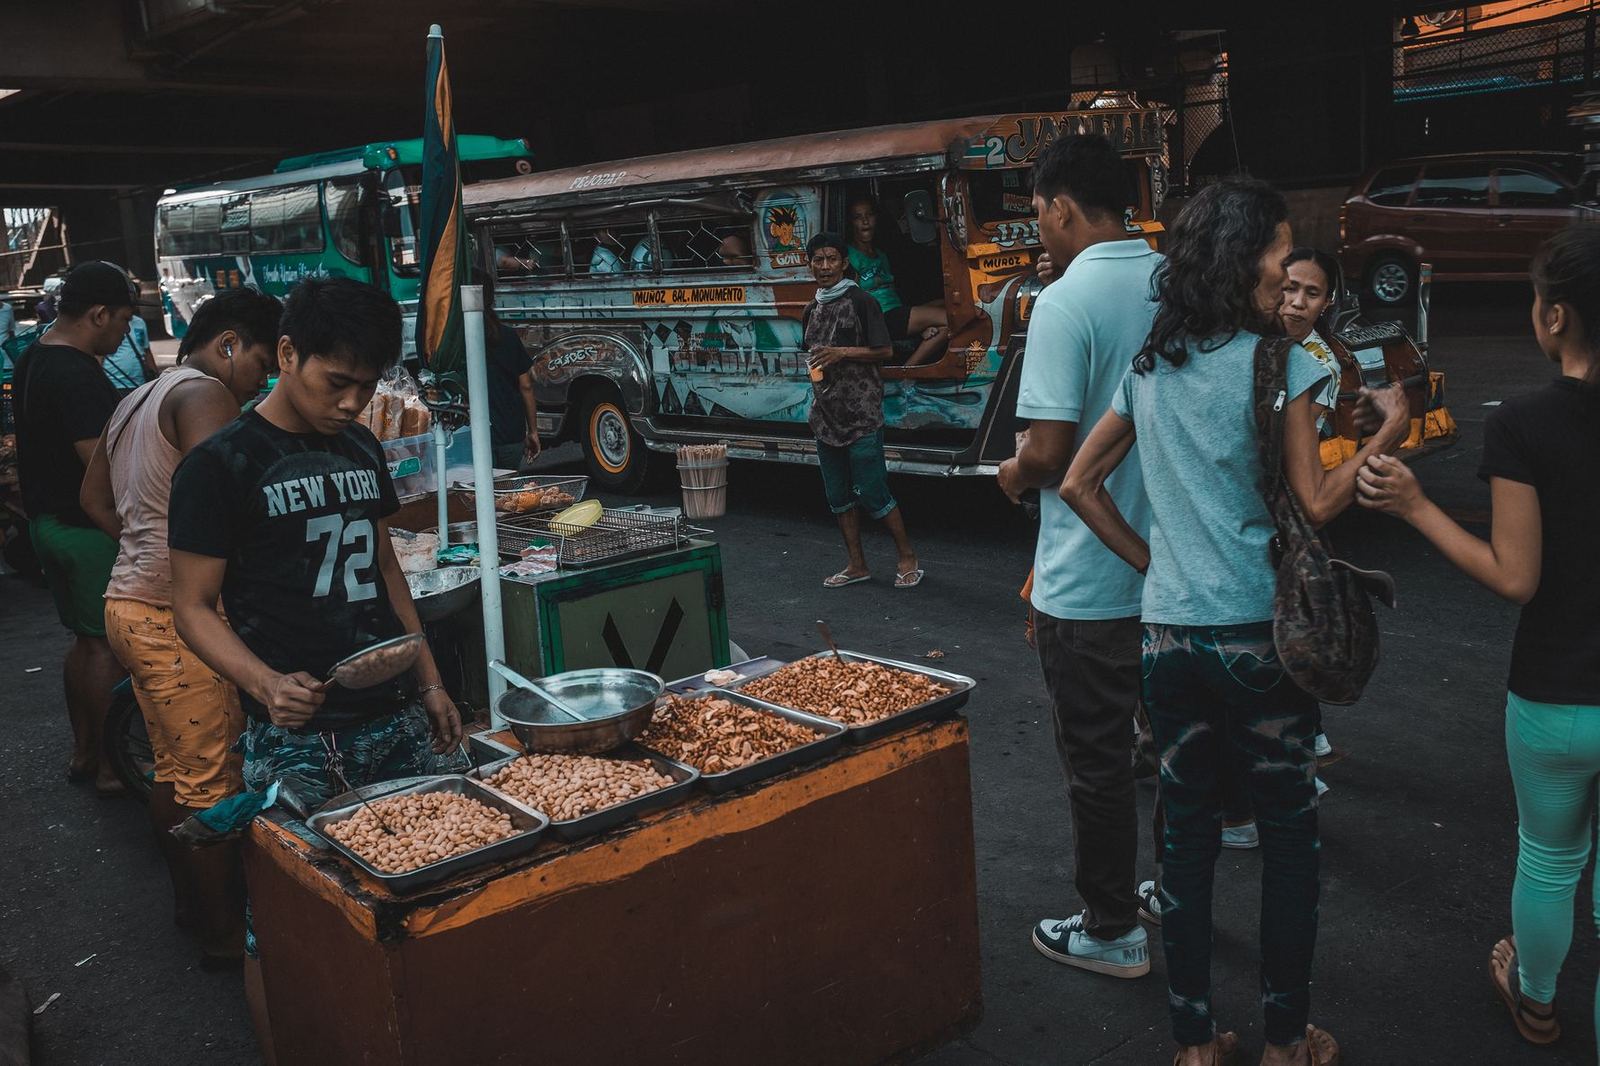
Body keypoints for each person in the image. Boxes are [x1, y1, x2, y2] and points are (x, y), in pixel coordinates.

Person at [1062, 177, 1410, 1066]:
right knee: (1288, 845)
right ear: (1242, 255)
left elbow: (1078, 485)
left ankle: (1192, 1042)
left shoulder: (1151, 362)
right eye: (1276, 249)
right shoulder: (1279, 362)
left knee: (1185, 843)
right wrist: (1386, 434)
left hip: (1168, 644)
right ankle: (1287, 1042)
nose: (1286, 266)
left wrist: (1160, 567)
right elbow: (1320, 501)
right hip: (1260, 643)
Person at [166, 277, 465, 1053]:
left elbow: (386, 569)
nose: (352, 403)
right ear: (288, 354)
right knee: (288, 927)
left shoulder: (361, 446)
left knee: (419, 887)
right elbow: (192, 606)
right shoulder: (222, 464)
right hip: (296, 737)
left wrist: (429, 679)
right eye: (337, 383)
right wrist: (262, 682)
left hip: (391, 716)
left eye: (367, 386)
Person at [1356, 224, 1600, 1050]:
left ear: (1557, 316)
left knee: (1548, 860)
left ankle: (1534, 1003)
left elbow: (1515, 577)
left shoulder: (1526, 422)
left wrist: (1416, 505)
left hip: (1557, 694)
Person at [79, 288, 284, 968]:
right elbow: (226, 499)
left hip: (129, 609)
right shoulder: (205, 395)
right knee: (212, 786)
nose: (265, 381)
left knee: (177, 772)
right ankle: (225, 935)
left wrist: (146, 548)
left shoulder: (135, 396)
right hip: (176, 623)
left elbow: (93, 498)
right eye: (262, 363)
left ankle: (193, 909)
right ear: (228, 343)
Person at [995, 133, 1158, 979]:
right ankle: (1172, 898)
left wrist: (1009, 472)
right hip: (1178, 574)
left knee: (1097, 765)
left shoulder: (1063, 302)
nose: (1041, 231)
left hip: (1092, 582)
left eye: (1038, 214)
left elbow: (1052, 453)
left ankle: (1110, 928)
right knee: (1174, 751)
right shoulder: (1180, 281)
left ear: (1061, 205)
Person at [11, 261, 138, 795]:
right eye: (124, 322)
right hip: (86, 530)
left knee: (83, 644)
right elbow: (99, 472)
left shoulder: (35, 355)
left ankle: (85, 752)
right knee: (105, 646)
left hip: (47, 524)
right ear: (99, 313)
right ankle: (112, 765)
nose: (126, 334)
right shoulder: (78, 375)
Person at [801, 231, 922, 590]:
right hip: (826, 416)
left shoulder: (861, 301)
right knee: (838, 496)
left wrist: (842, 352)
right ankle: (857, 565)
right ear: (810, 264)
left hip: (862, 414)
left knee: (873, 492)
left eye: (831, 259)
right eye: (818, 260)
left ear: (844, 263)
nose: (824, 266)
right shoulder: (811, 308)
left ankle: (907, 557)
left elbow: (884, 351)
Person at [846, 196, 949, 366]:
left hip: (897, 312)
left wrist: (918, 324)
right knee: (949, 318)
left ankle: (919, 336)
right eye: (858, 217)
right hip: (880, 317)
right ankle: (907, 371)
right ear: (851, 223)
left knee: (947, 305)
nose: (865, 221)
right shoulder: (850, 256)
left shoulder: (880, 254)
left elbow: (891, 290)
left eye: (869, 215)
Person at [478, 272, 540, 471]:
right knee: (508, 496)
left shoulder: (459, 341)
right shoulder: (508, 335)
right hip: (511, 433)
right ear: (491, 298)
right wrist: (533, 431)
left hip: (476, 437)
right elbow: (526, 385)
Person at [101, 308, 157, 394]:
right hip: (116, 384)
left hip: (140, 384)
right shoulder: (109, 323)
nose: (128, 329)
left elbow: (146, 351)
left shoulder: (140, 322)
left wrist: (156, 378)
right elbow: (100, 354)